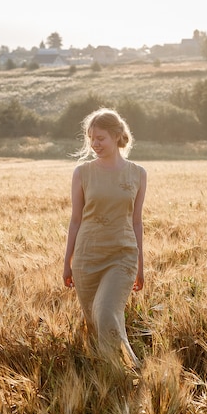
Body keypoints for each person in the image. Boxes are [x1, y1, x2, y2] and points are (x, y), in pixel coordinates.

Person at [63, 107, 147, 368]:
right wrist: (67, 262)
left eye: (100, 138)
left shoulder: (138, 174)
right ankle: (107, 376)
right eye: (91, 138)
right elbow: (76, 220)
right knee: (94, 321)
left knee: (107, 313)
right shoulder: (82, 173)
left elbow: (136, 221)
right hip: (88, 257)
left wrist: (140, 267)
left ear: (117, 135)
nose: (94, 144)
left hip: (122, 255)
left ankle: (128, 370)